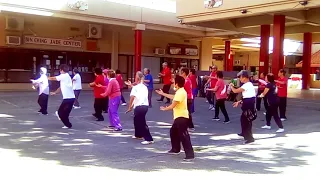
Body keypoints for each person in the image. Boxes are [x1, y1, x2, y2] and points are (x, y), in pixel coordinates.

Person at [156, 75, 195, 161]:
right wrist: (163, 93)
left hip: (181, 117)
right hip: (179, 117)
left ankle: (190, 154)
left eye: (174, 82)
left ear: (177, 84)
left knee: (184, 136)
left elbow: (173, 105)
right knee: (173, 132)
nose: (173, 84)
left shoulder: (181, 92)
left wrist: (165, 108)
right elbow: (173, 97)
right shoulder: (180, 91)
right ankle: (175, 149)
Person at [126, 71, 154, 144]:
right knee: (136, 120)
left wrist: (129, 107)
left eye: (135, 77)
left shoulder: (136, 88)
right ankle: (138, 134)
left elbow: (132, 97)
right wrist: (131, 85)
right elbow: (137, 91)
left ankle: (149, 139)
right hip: (144, 106)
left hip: (139, 106)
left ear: (137, 78)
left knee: (142, 122)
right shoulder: (144, 87)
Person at [229, 70, 256, 144]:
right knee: (244, 120)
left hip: (248, 106)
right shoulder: (248, 85)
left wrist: (231, 86)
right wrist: (239, 102)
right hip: (248, 104)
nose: (240, 79)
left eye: (240, 77)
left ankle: (249, 138)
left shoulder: (247, 85)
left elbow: (235, 91)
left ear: (244, 77)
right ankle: (244, 133)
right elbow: (247, 97)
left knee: (246, 121)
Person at [48, 64, 75, 129]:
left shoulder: (64, 76)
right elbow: (60, 88)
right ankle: (68, 125)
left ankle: (65, 122)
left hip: (68, 99)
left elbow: (54, 78)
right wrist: (55, 92)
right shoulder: (67, 77)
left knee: (61, 113)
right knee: (65, 113)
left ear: (61, 70)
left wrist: (46, 78)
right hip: (70, 98)